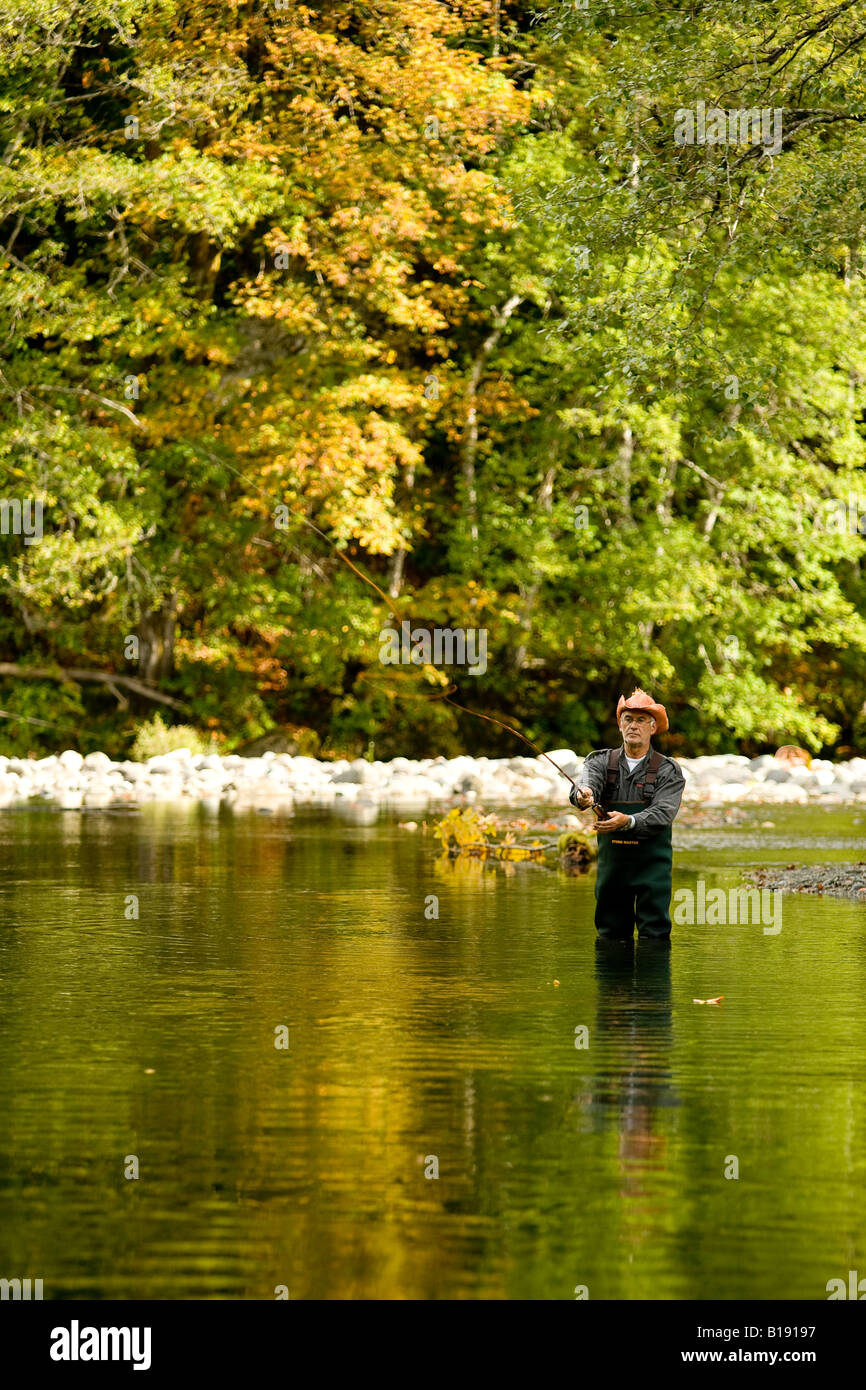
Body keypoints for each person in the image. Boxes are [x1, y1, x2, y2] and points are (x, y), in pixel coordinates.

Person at [570, 689, 685, 940]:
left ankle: (651, 980)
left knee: (655, 936)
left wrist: (628, 821)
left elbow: (663, 814)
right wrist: (583, 794)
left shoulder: (669, 770)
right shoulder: (599, 761)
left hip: (652, 871)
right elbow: (586, 783)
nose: (633, 725)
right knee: (610, 935)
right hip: (613, 872)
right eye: (628, 719)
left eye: (641, 720)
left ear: (653, 727)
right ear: (620, 725)